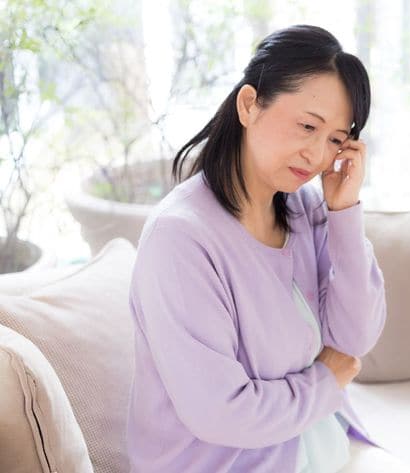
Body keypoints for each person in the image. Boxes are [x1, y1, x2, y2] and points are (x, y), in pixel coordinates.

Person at [125, 24, 388, 472]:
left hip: (314, 449)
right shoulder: (180, 239)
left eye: (335, 140)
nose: (317, 155)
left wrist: (344, 211)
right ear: (249, 104)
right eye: (307, 126)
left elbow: (354, 340)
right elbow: (221, 413)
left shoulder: (306, 209)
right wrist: (325, 382)